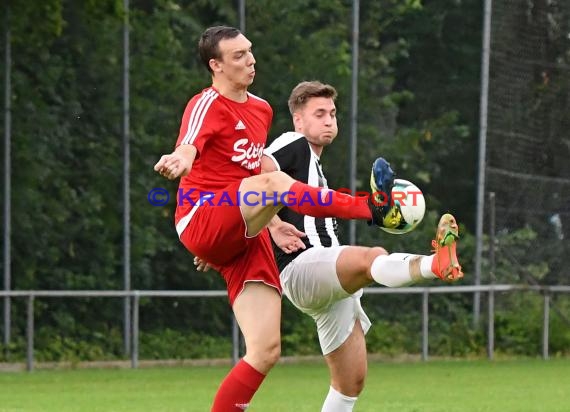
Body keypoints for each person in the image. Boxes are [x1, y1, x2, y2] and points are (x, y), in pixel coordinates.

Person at [154, 27, 402, 412]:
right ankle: (371, 207)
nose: (250, 60)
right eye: (238, 56)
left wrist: (261, 225)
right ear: (215, 66)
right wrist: (181, 160)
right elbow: (190, 144)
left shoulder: (261, 109)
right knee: (277, 182)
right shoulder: (206, 104)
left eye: (250, 51)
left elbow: (248, 177)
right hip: (202, 213)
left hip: (239, 237)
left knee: (265, 350)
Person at [260, 81, 463, 411]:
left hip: (326, 278)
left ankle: (436, 262)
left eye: (333, 113)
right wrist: (271, 225)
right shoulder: (293, 142)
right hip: (300, 266)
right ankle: (435, 264)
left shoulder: (313, 165)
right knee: (371, 258)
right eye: (319, 113)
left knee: (349, 384)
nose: (329, 120)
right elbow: (254, 176)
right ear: (298, 120)